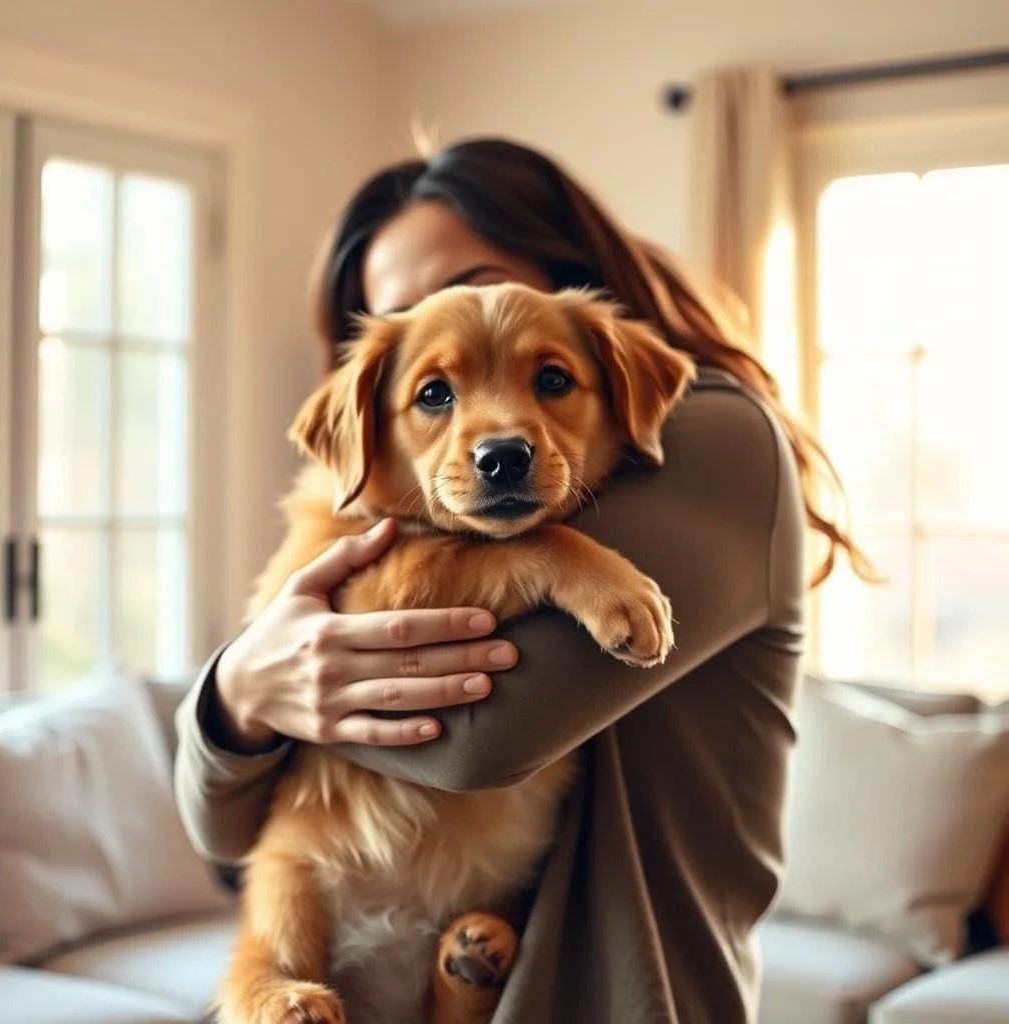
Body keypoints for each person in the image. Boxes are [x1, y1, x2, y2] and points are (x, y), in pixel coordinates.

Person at [174, 137, 868, 1023]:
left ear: (562, 273)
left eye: (540, 372)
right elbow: (221, 834)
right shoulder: (350, 505)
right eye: (431, 380)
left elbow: (476, 741)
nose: (496, 424)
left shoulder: (716, 439)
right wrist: (238, 688)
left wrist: (277, 691)